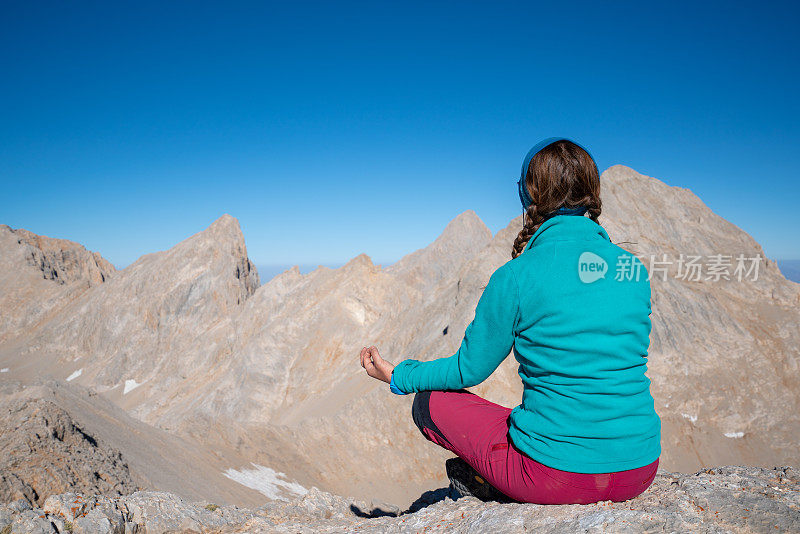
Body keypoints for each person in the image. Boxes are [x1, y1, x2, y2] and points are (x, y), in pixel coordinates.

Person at [358, 137, 661, 505]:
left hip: (556, 476)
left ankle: (493, 484)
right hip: (640, 469)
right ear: (592, 193)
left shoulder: (515, 276)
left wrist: (398, 375)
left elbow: (467, 371)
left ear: (528, 196)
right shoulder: (634, 270)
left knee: (429, 403)